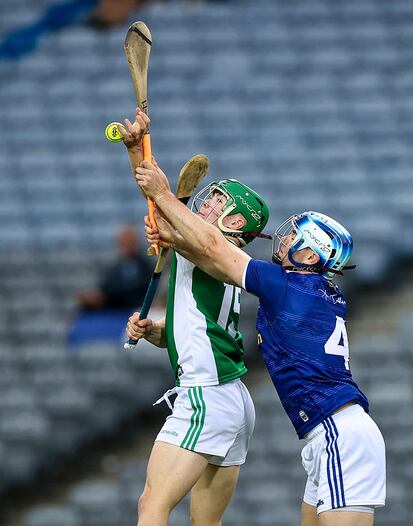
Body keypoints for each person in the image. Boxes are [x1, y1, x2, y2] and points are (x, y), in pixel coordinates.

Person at [132, 160, 387, 526]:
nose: (282, 240)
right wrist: (173, 235)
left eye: (294, 237)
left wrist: (162, 196)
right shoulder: (316, 291)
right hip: (328, 434)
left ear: (310, 255)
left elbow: (213, 248)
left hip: (338, 433)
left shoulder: (288, 286)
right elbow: (210, 255)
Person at [118, 109, 271, 526]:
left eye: (220, 202)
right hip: (232, 395)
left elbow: (163, 209)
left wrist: (139, 156)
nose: (208, 202)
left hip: (207, 393)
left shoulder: (209, 245)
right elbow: (206, 327)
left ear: (236, 222)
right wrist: (159, 332)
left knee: (151, 506)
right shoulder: (218, 253)